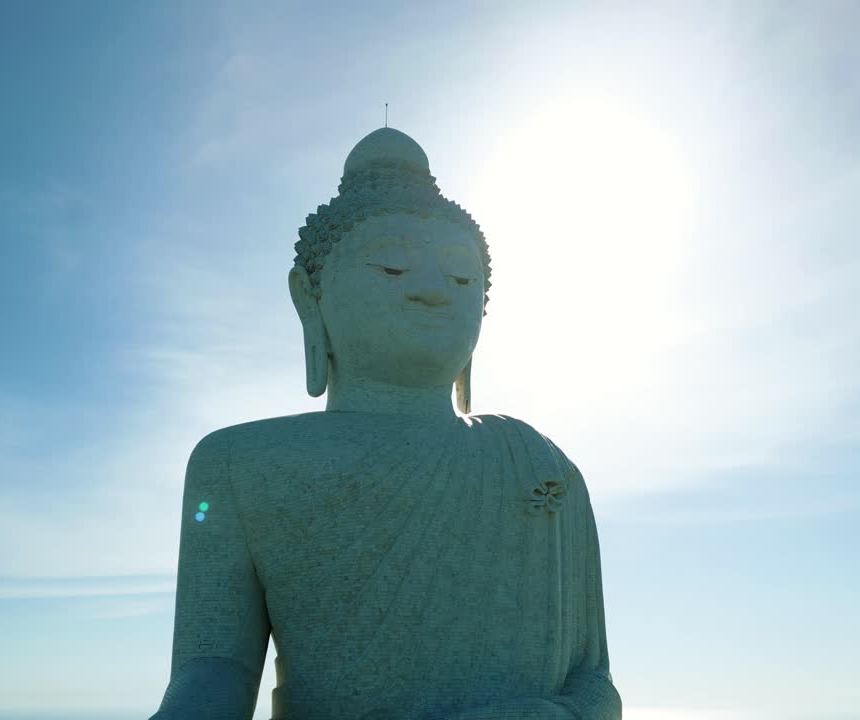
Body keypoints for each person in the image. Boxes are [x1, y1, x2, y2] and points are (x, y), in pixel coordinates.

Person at [150, 128, 621, 720]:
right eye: (393, 266)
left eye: (461, 278)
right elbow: (213, 666)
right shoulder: (237, 464)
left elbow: (594, 677)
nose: (432, 292)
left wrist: (558, 716)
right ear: (309, 299)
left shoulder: (537, 460)